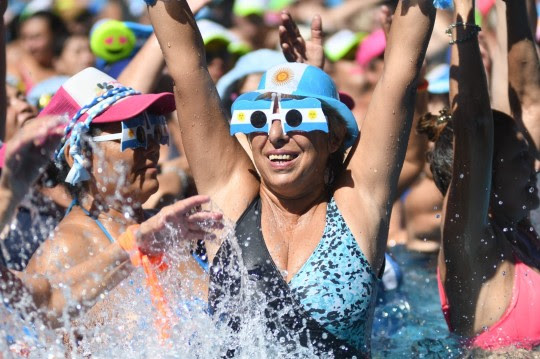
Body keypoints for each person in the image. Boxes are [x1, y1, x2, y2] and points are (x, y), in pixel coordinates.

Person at [147, 0, 435, 356]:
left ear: (333, 137)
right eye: (259, 119)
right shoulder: (232, 199)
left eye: (299, 117)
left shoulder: (357, 202)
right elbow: (187, 69)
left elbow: (401, 73)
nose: (277, 134)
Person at [21, 67, 222, 329]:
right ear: (78, 155)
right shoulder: (64, 250)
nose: (152, 146)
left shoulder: (166, 226)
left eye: (154, 130)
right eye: (135, 134)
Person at [429, 0, 540, 351]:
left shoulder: (521, 233)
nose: (535, 166)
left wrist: (517, 9)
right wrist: (464, 23)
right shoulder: (473, 247)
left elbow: (531, 102)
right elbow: (473, 128)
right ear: (485, 175)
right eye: (521, 158)